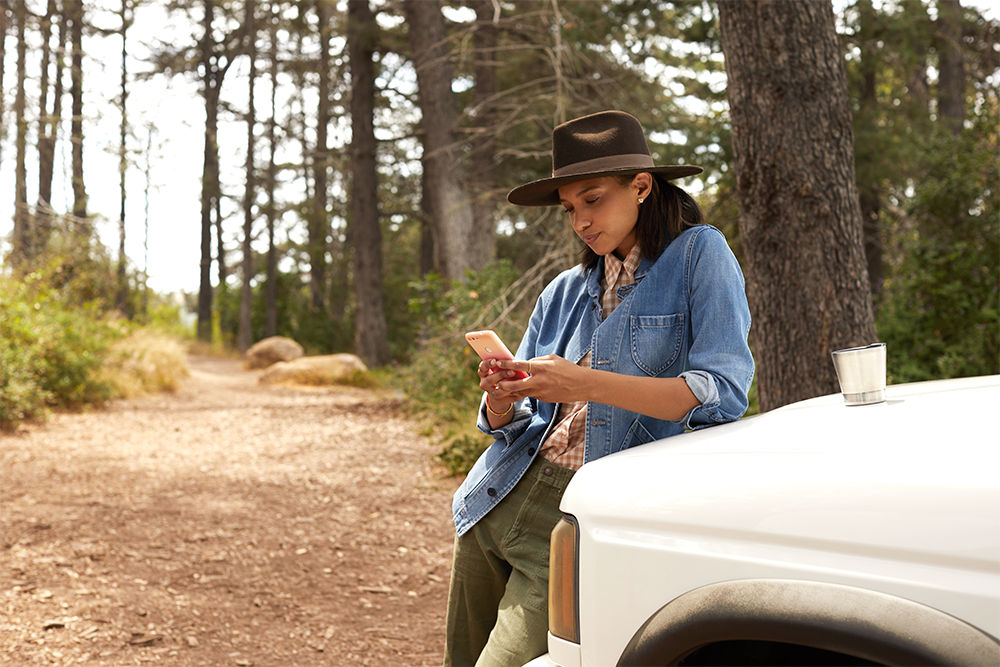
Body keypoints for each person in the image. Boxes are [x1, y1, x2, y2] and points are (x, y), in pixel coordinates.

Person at [444, 110, 754, 667]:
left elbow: (721, 392)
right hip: (495, 499)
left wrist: (581, 381)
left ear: (641, 186)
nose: (580, 221)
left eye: (592, 200)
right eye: (569, 209)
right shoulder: (564, 290)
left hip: (580, 515)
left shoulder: (698, 255)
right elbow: (522, 423)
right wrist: (500, 397)